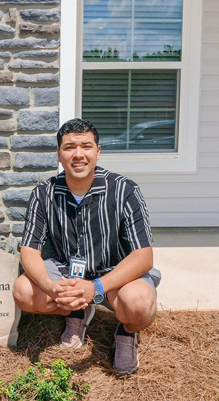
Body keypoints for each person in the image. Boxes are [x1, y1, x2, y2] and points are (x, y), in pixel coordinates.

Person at [13, 118, 161, 375]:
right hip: (66, 272)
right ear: (59, 155)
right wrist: (52, 287)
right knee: (23, 291)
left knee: (137, 304)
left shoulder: (124, 190)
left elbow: (143, 256)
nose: (78, 154)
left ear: (98, 151)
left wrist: (96, 288)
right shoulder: (43, 193)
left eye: (86, 146)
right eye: (69, 147)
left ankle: (126, 333)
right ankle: (77, 313)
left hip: (113, 273)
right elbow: (29, 250)